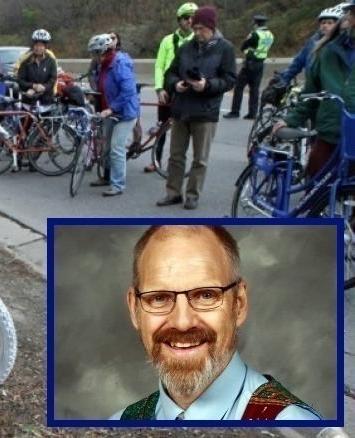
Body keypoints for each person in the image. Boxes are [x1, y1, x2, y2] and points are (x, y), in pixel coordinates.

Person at [111, 225, 322, 420]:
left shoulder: (291, 423)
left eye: (205, 295)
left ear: (238, 304)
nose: (183, 322)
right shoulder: (121, 420)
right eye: (159, 298)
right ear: (134, 309)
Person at [156, 6, 236, 210]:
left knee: (200, 159)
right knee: (175, 156)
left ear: (211, 27)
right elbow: (170, 73)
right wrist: (176, 84)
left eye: (202, 29)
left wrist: (207, 85)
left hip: (205, 111)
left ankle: (192, 194)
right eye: (195, 28)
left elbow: (229, 80)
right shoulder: (185, 47)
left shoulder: (225, 48)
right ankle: (173, 192)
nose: (197, 33)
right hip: (182, 109)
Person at [273, 2, 355, 178]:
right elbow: (310, 92)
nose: (325, 25)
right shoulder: (328, 51)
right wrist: (292, 119)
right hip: (330, 131)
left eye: (329, 22)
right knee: (315, 184)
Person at [146, 2, 198, 173]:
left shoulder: (198, 41)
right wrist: (160, 88)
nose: (189, 21)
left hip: (187, 91)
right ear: (179, 20)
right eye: (185, 17)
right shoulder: (168, 40)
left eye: (192, 17)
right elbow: (159, 66)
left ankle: (178, 163)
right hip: (168, 90)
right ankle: (156, 160)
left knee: (184, 129)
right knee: (162, 126)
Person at [86, 33, 139, 197]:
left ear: (105, 51)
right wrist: (93, 94)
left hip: (124, 113)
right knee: (106, 147)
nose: (94, 57)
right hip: (108, 111)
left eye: (96, 53)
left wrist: (112, 108)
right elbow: (103, 85)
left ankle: (117, 185)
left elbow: (128, 92)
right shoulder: (102, 64)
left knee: (116, 148)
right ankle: (106, 177)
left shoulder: (120, 64)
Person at [278, 4, 346, 86]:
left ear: (338, 25)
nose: (325, 26)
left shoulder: (344, 42)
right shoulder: (313, 41)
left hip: (336, 89)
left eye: (329, 23)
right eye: (323, 23)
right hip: (313, 87)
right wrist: (284, 80)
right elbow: (298, 62)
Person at [224, 15, 275, 120]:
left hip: (250, 63)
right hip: (261, 64)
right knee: (255, 89)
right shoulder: (270, 35)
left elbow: (244, 46)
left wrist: (248, 53)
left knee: (239, 86)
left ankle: (235, 111)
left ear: (256, 24)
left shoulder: (255, 34)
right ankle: (252, 113)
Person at [16, 29, 57, 107]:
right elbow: (20, 80)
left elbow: (53, 79)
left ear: (45, 47)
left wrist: (44, 87)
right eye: (37, 45)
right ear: (33, 46)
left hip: (46, 100)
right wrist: (33, 86)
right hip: (29, 99)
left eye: (41, 46)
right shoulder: (26, 62)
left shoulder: (51, 61)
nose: (38, 48)